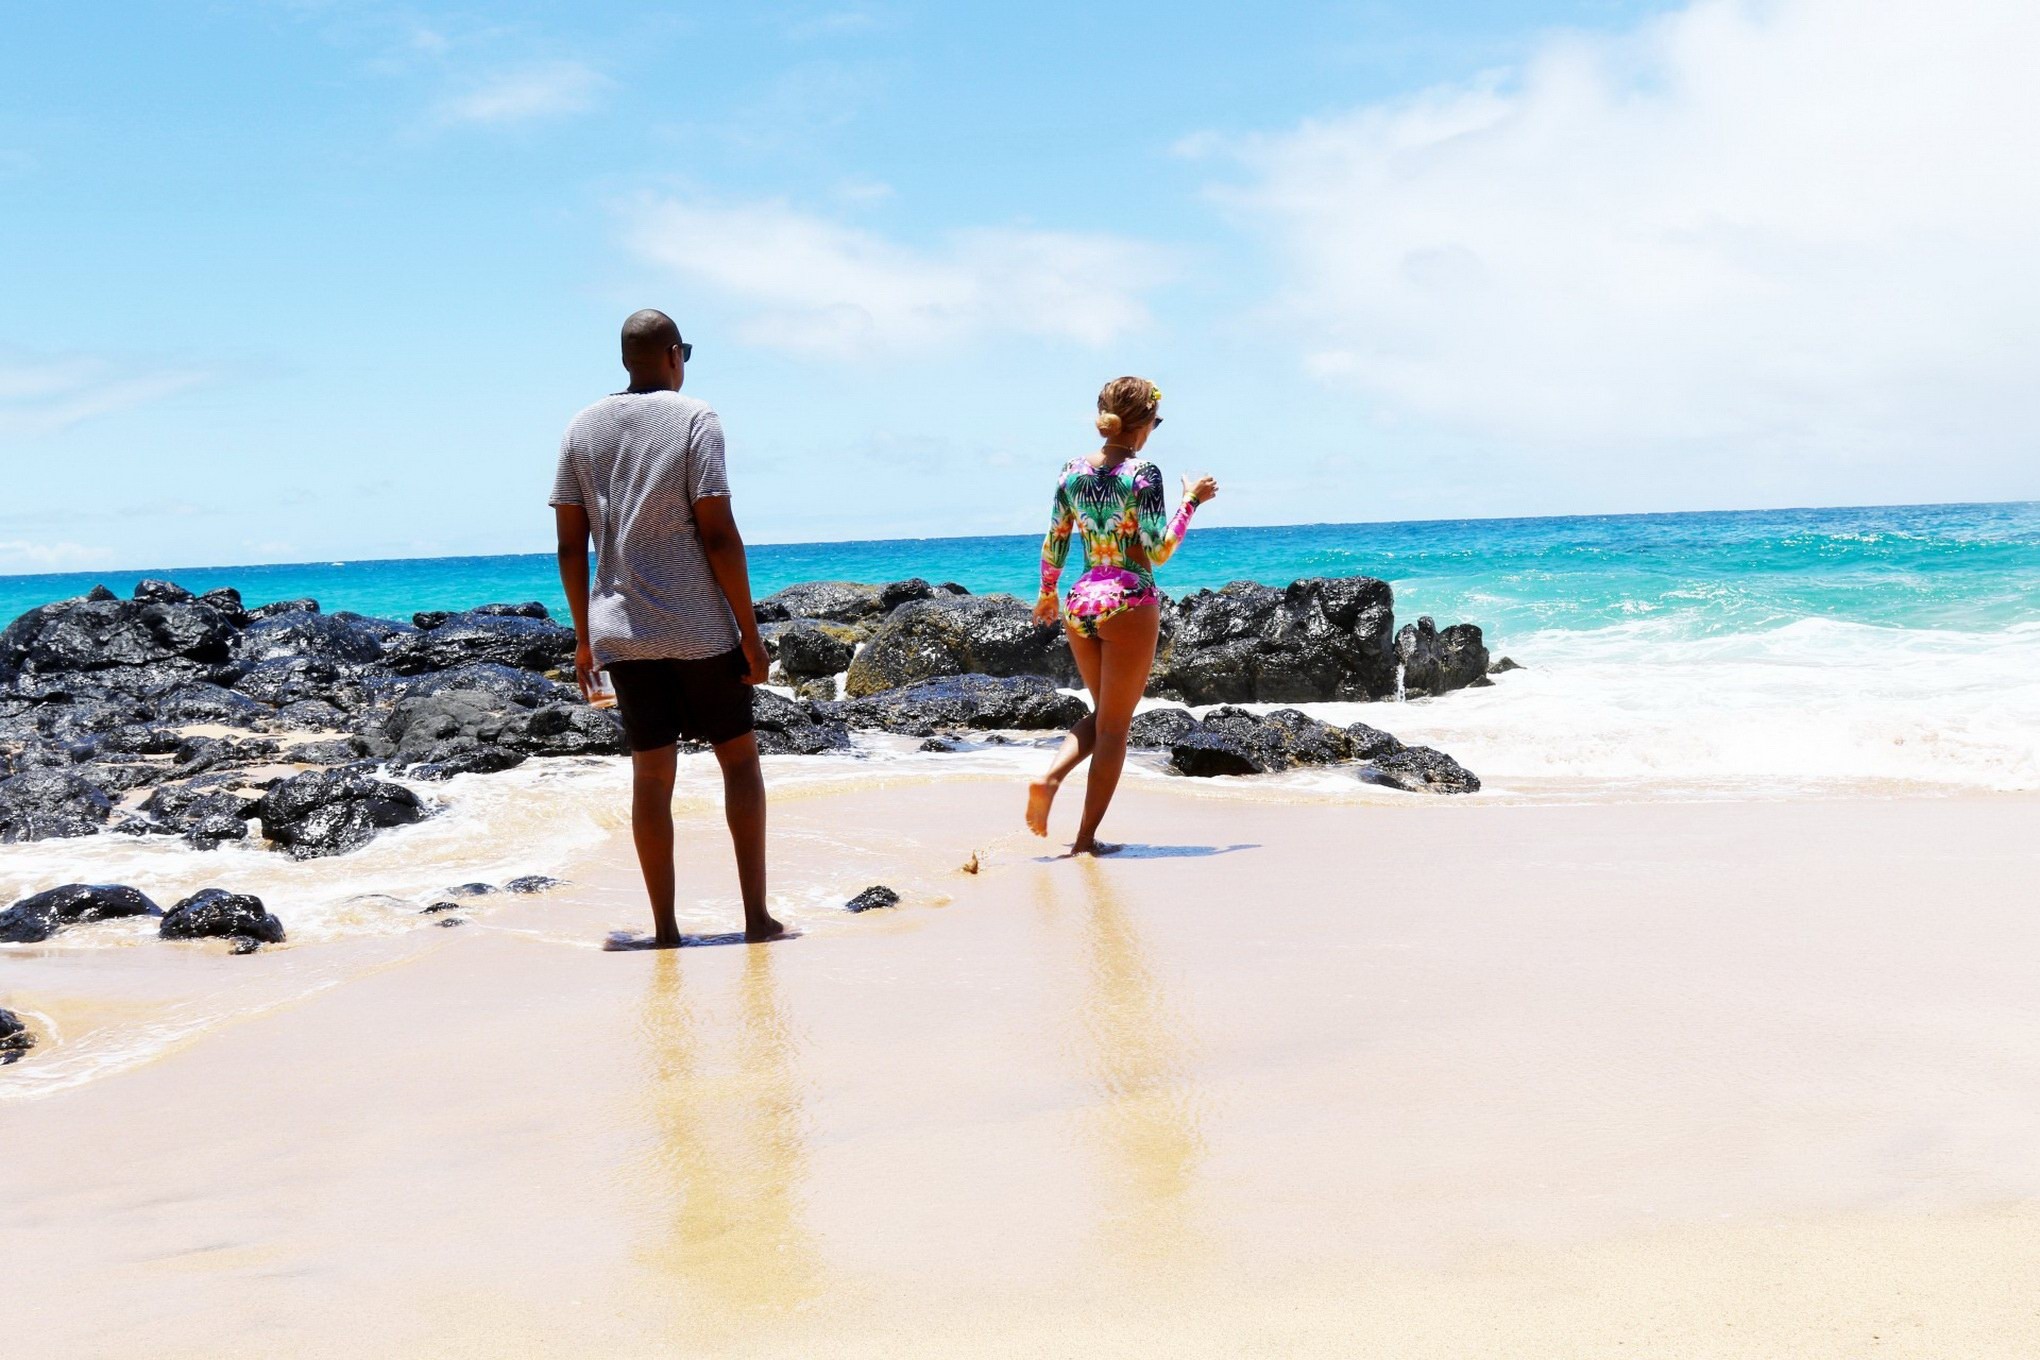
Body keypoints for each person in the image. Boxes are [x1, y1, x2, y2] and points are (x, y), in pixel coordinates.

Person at [550, 309, 784, 945]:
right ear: (675, 355)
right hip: (697, 625)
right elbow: (716, 531)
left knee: (651, 777)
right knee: (738, 761)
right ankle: (757, 919)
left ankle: (665, 930)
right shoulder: (695, 419)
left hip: (622, 629)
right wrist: (750, 631)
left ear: (628, 360)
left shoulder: (581, 428)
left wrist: (582, 639)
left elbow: (573, 548)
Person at [1027, 377, 1218, 855]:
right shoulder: (1144, 472)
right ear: (1146, 423)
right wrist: (1192, 500)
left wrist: (1047, 592)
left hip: (1081, 602)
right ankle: (1084, 840)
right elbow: (1159, 549)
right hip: (1129, 601)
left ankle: (1050, 776)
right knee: (1115, 727)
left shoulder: (1071, 471)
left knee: (1105, 715)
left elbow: (1056, 538)